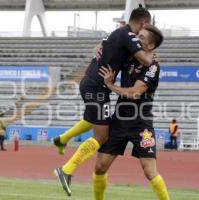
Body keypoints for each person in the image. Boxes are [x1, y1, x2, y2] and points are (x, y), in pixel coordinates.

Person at [53, 5, 155, 196]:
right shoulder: (129, 35)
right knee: (102, 136)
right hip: (97, 88)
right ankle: (66, 170)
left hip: (96, 86)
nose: (145, 32)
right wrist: (152, 56)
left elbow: (104, 45)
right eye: (146, 27)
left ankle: (62, 141)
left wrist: (99, 46)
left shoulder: (119, 33)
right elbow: (146, 61)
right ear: (143, 23)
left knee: (96, 123)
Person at [93, 37, 169, 200]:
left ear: (150, 45)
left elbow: (135, 93)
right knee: (100, 167)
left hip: (141, 124)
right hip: (119, 121)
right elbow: (113, 40)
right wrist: (100, 44)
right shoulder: (128, 57)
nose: (136, 41)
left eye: (141, 39)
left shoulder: (153, 66)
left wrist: (111, 85)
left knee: (149, 171)